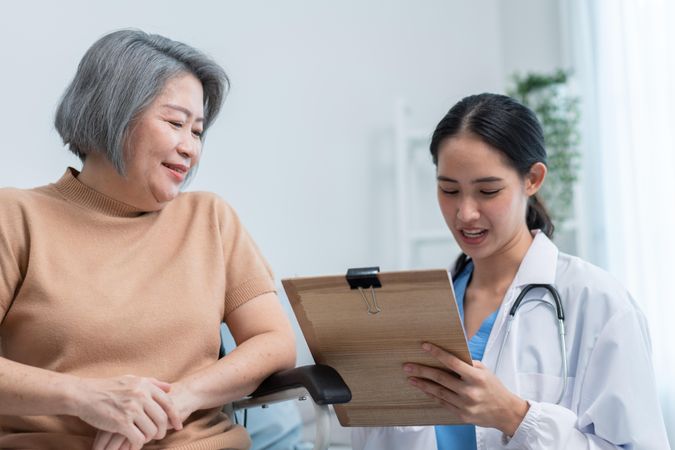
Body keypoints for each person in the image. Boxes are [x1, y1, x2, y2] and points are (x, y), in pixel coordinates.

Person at [0, 29, 296, 450]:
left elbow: (275, 342)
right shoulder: (15, 218)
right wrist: (88, 399)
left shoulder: (209, 218)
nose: (190, 147)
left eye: (197, 131)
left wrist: (172, 402)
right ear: (112, 112)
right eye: (175, 123)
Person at [352, 93, 670, 449]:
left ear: (532, 179)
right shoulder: (417, 306)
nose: (465, 213)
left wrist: (514, 416)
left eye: (488, 191)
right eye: (449, 190)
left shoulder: (598, 302)